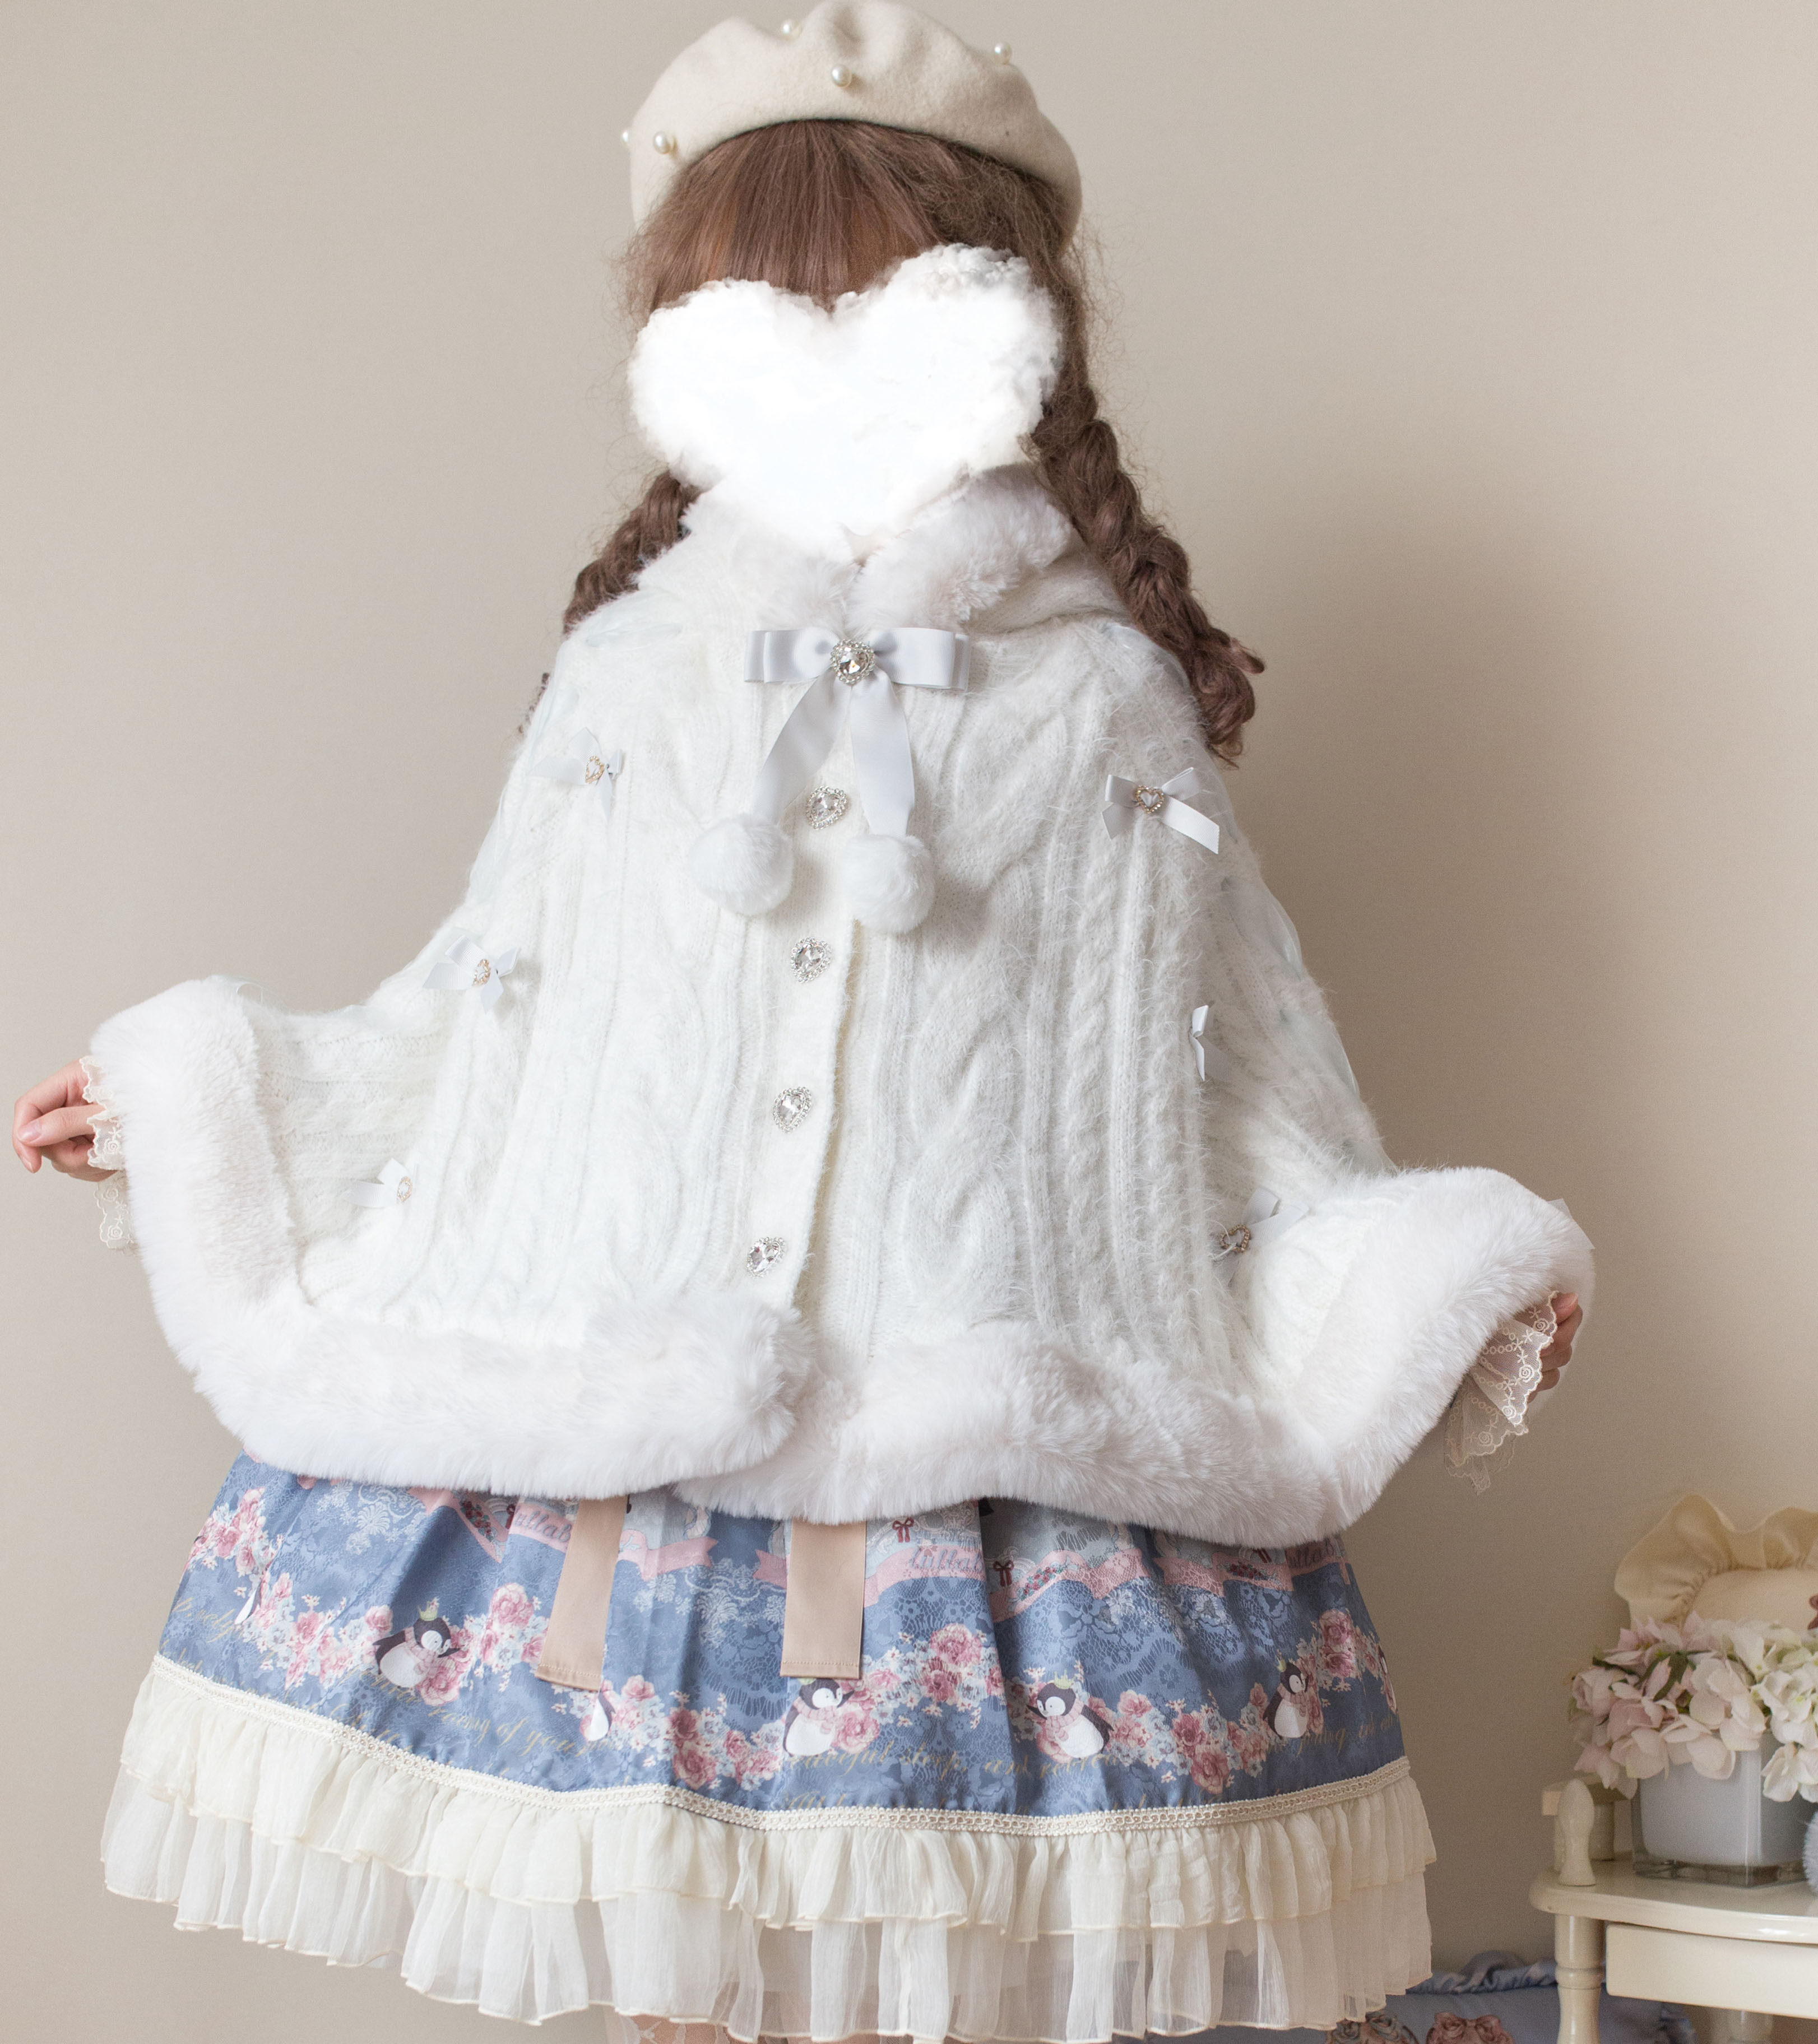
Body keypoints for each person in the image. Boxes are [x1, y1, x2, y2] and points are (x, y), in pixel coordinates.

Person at [13, 8, 1587, 2039]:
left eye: (885, 303)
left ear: (1013, 330)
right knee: (672, 1976)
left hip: (991, 1515)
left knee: (939, 1980)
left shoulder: (1102, 703)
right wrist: (192, 1105)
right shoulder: (632, 677)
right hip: (638, 1491)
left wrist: (1453, 1285)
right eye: (765, 309)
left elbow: (1240, 1104)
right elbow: (486, 1027)